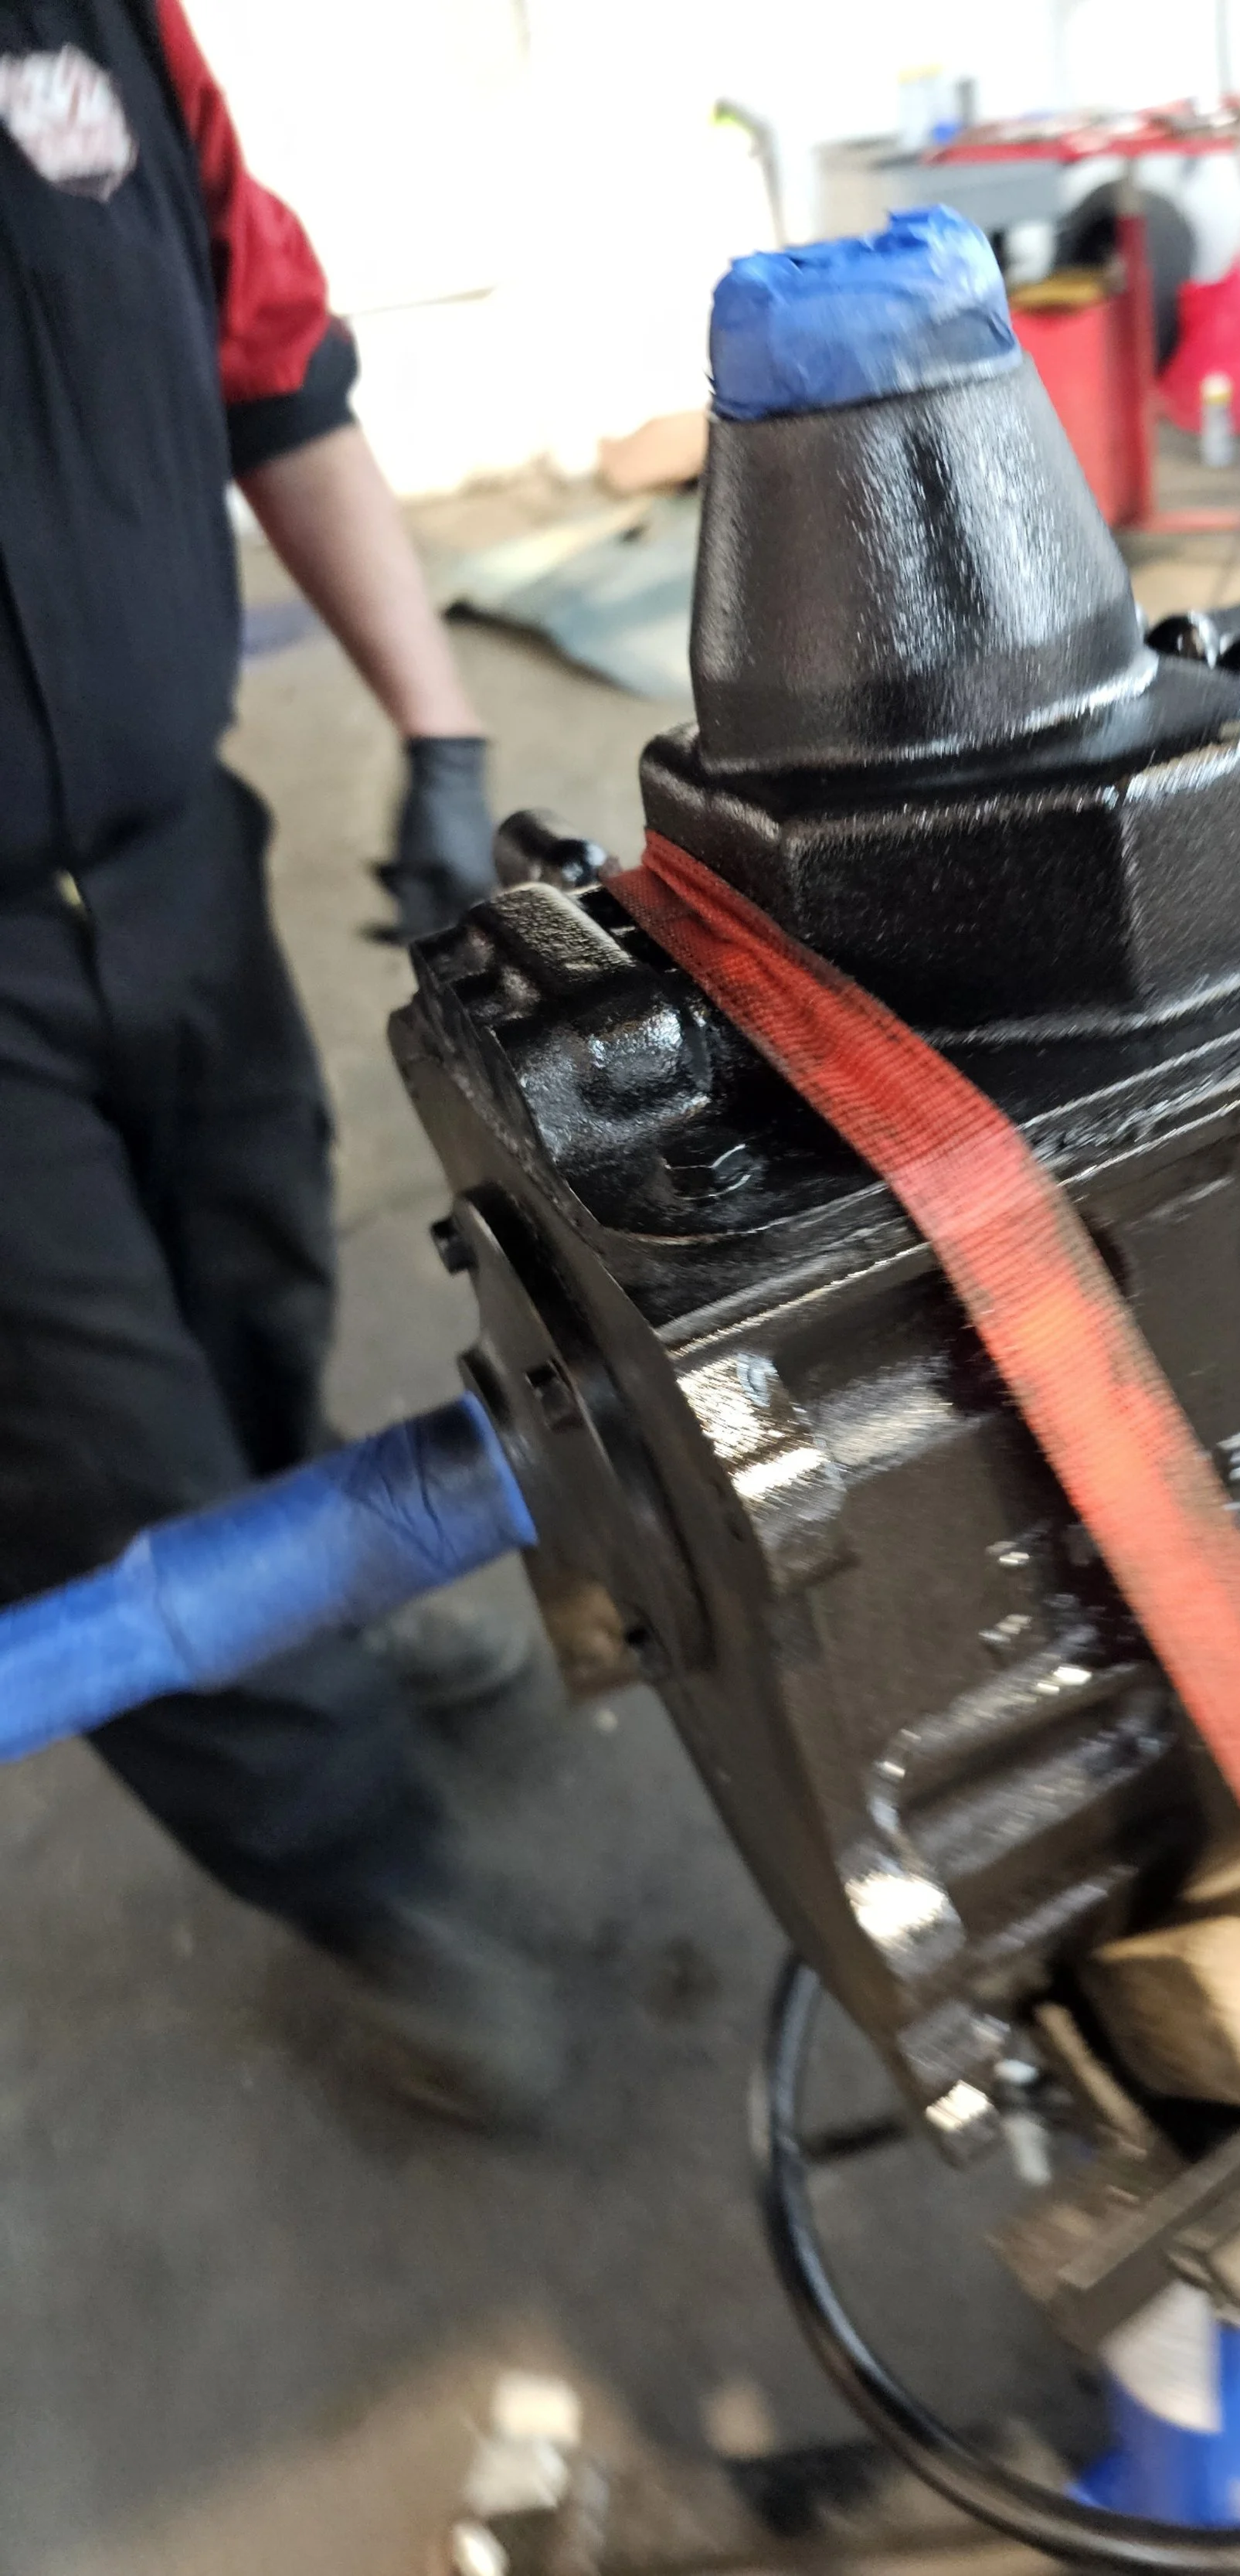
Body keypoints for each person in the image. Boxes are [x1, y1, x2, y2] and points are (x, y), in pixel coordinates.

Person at [0, 0, 559, 2122]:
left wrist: (440, 730)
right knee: (87, 1451)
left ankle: (314, 1585)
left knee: (254, 1284)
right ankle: (366, 1875)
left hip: (168, 865)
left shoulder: (104, 36)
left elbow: (274, 372)